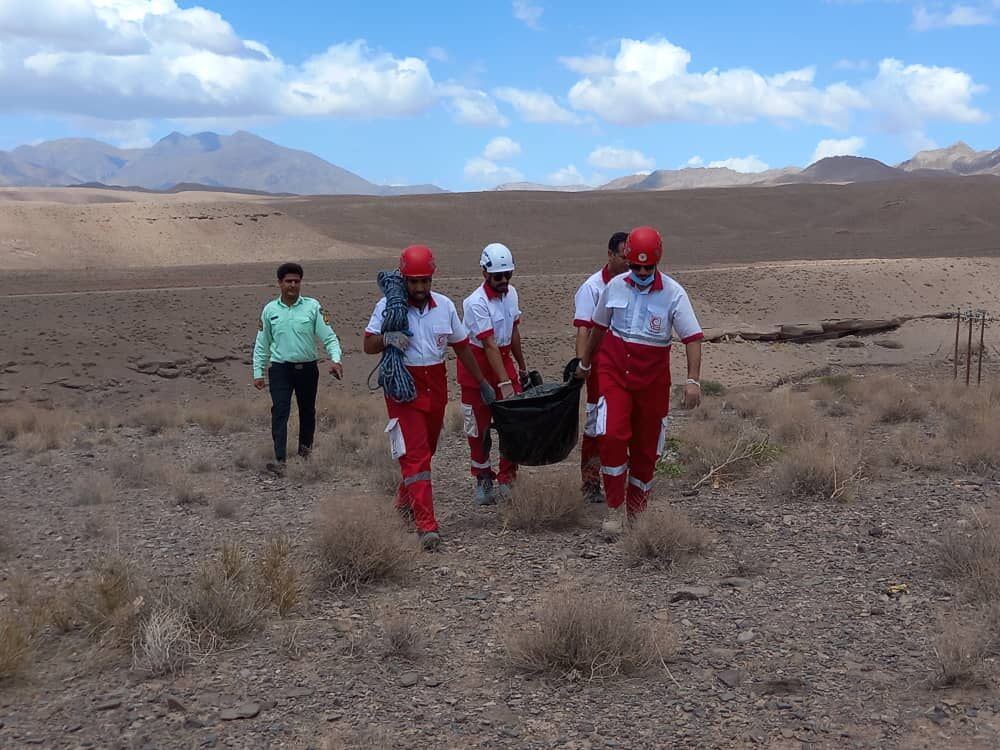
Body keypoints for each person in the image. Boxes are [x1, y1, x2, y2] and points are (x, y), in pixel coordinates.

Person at [575, 226, 704, 536]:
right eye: (636, 265)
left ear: (657, 262)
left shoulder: (674, 293)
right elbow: (598, 327)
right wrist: (585, 362)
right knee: (612, 435)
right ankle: (614, 509)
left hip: (653, 383)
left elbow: (693, 337)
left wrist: (693, 380)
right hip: (615, 375)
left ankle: (638, 510)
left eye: (649, 266)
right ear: (628, 261)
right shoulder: (615, 287)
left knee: (647, 449)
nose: (642, 272)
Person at [364, 245, 494, 550]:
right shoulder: (388, 307)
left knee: (426, 451)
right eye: (413, 281)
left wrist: (483, 382)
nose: (419, 287)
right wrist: (387, 338)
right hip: (403, 388)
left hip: (435, 386)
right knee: (416, 456)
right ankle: (426, 525)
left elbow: (462, 346)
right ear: (404, 279)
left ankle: (403, 502)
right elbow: (368, 344)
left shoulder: (445, 306)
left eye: (424, 281)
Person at [253, 262, 343, 476]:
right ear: (279, 283)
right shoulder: (270, 310)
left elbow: (329, 336)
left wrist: (335, 359)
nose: (292, 285)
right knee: (280, 411)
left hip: (307, 369)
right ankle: (280, 461)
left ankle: (305, 455)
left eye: (296, 281)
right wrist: (258, 371)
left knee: (307, 411)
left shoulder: (312, 307)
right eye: (288, 281)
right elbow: (261, 343)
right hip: (280, 369)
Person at [457, 242, 529, 505]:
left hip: (504, 359)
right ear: (484, 273)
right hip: (477, 366)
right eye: (498, 276)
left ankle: (508, 476)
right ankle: (483, 476)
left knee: (514, 422)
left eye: (508, 275)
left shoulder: (512, 295)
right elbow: (488, 344)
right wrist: (504, 383)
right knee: (479, 428)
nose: (503, 281)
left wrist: (521, 367)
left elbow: (513, 332)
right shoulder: (475, 302)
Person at [573, 231, 630, 504]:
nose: (629, 263)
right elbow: (584, 329)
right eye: (624, 257)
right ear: (610, 255)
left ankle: (621, 478)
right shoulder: (592, 288)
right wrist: (582, 365)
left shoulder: (634, 284)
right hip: (599, 366)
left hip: (627, 366)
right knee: (596, 424)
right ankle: (591, 481)